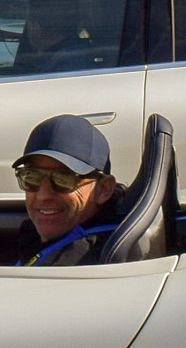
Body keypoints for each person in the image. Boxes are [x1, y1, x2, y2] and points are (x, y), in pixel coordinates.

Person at [15, 114, 122, 266]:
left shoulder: (85, 259)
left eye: (63, 179)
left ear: (103, 189)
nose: (43, 195)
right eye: (31, 177)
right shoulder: (37, 241)